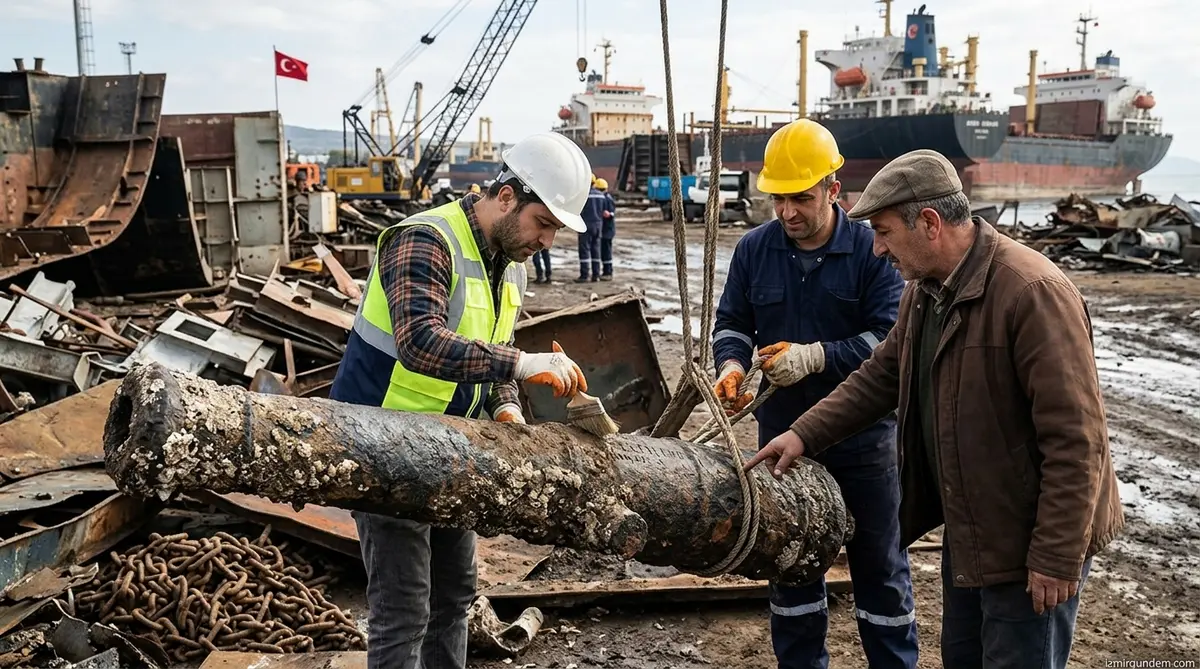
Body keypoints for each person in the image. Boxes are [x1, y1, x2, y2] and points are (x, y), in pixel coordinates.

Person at [745, 149, 1125, 669]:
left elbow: (1078, 441)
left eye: (883, 232)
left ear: (928, 223)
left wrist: (1057, 557)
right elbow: (881, 377)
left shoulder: (1032, 293)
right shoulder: (926, 291)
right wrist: (803, 435)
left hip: (1028, 543)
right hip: (971, 531)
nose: (876, 250)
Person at [328, 132, 595, 669]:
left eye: (556, 231)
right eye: (543, 223)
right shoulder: (426, 241)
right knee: (404, 609)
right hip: (382, 444)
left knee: (454, 596)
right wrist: (522, 364)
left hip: (452, 449)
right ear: (506, 197)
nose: (546, 241)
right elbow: (420, 340)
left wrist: (506, 406)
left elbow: (488, 348)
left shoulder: (510, 264)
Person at [712, 119, 916, 669]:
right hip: (782, 443)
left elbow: (888, 341)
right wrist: (731, 365)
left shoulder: (876, 251)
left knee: (880, 569)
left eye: (800, 198)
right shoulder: (755, 250)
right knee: (792, 565)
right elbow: (731, 321)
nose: (787, 212)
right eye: (778, 199)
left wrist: (815, 356)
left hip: (863, 440)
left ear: (833, 190)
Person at [576, 179, 608, 282]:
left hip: (585, 225)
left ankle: (584, 275)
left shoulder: (583, 195)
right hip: (598, 225)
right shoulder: (601, 195)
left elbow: (578, 210)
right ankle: (596, 275)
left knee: (584, 250)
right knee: (596, 250)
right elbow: (604, 211)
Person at [595, 177, 617, 280]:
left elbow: (611, 213)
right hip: (605, 230)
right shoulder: (606, 197)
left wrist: (609, 214)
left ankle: (608, 272)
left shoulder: (607, 199)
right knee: (604, 251)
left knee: (606, 251)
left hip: (607, 230)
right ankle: (606, 271)